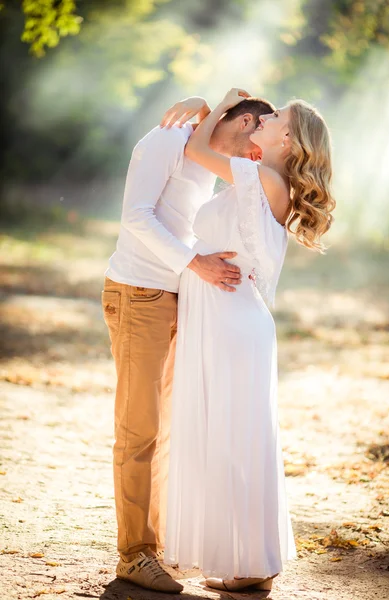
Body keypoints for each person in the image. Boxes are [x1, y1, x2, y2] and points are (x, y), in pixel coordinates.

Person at [163, 89, 336, 593]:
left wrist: (216, 104)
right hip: (225, 319)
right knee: (230, 437)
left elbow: (196, 150)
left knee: (237, 440)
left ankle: (254, 565)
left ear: (287, 136)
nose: (264, 116)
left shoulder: (264, 177)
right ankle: (247, 560)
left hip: (232, 322)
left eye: (276, 115)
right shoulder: (263, 178)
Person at [102, 94, 276, 592]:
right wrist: (195, 262)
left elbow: (191, 225)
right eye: (259, 137)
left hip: (181, 300)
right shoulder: (165, 140)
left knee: (171, 431)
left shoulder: (206, 156)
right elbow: (136, 216)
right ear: (247, 122)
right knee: (139, 430)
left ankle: (156, 545)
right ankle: (134, 554)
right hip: (138, 293)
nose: (256, 154)